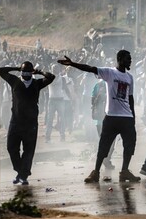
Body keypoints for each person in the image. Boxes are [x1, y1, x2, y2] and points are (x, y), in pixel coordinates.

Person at [58, 50, 141, 183]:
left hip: (127, 117)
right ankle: (95, 172)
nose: (130, 61)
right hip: (111, 117)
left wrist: (133, 117)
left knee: (129, 145)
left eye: (130, 59)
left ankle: (124, 171)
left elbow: (130, 98)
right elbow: (90, 68)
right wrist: (72, 64)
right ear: (119, 59)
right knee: (104, 145)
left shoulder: (130, 77)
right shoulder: (109, 72)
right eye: (127, 59)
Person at [0, 61, 55, 185]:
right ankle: (21, 172)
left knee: (28, 150)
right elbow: (0, 70)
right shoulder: (15, 81)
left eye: (27, 72)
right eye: (23, 72)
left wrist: (39, 71)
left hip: (31, 124)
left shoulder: (37, 84)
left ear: (31, 72)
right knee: (11, 148)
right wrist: (17, 68)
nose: (25, 74)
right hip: (16, 122)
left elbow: (51, 77)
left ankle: (23, 176)